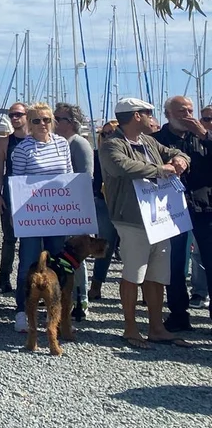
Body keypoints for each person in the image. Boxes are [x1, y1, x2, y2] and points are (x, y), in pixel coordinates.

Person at [99, 97, 190, 349]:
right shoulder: (111, 144)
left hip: (159, 217)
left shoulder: (148, 141)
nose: (152, 117)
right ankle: (130, 327)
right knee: (133, 274)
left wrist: (181, 159)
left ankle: (156, 327)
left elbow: (173, 152)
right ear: (136, 116)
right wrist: (162, 170)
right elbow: (122, 167)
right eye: (148, 113)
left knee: (157, 275)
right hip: (131, 219)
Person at [10, 102, 73, 333]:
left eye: (46, 119)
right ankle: (22, 311)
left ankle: (54, 311)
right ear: (29, 122)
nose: (42, 124)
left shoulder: (62, 145)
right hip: (32, 214)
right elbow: (17, 184)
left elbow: (68, 176)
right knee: (28, 263)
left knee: (56, 263)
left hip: (56, 214)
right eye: (36, 120)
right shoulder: (22, 149)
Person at [153, 95, 212, 333]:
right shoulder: (156, 140)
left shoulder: (202, 138)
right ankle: (179, 314)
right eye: (181, 112)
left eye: (190, 110)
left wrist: (205, 136)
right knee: (175, 264)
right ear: (168, 114)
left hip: (204, 207)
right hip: (171, 208)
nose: (187, 115)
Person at [53, 102, 95, 319]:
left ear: (71, 122)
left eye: (59, 118)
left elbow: (86, 178)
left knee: (77, 256)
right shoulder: (56, 143)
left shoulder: (79, 144)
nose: (54, 122)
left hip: (74, 209)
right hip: (57, 210)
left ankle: (82, 299)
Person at [0, 101, 29, 293]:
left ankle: (29, 280)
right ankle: (3, 279)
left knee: (31, 241)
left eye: (18, 115)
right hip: (10, 194)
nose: (14, 118)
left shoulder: (35, 139)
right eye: (11, 115)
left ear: (26, 115)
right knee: (9, 239)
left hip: (32, 196)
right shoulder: (5, 141)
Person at [88, 121, 119, 301]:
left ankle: (145, 293)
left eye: (112, 133)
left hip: (127, 205)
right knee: (104, 246)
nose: (108, 137)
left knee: (133, 250)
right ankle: (96, 286)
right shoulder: (96, 155)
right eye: (105, 134)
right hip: (103, 205)